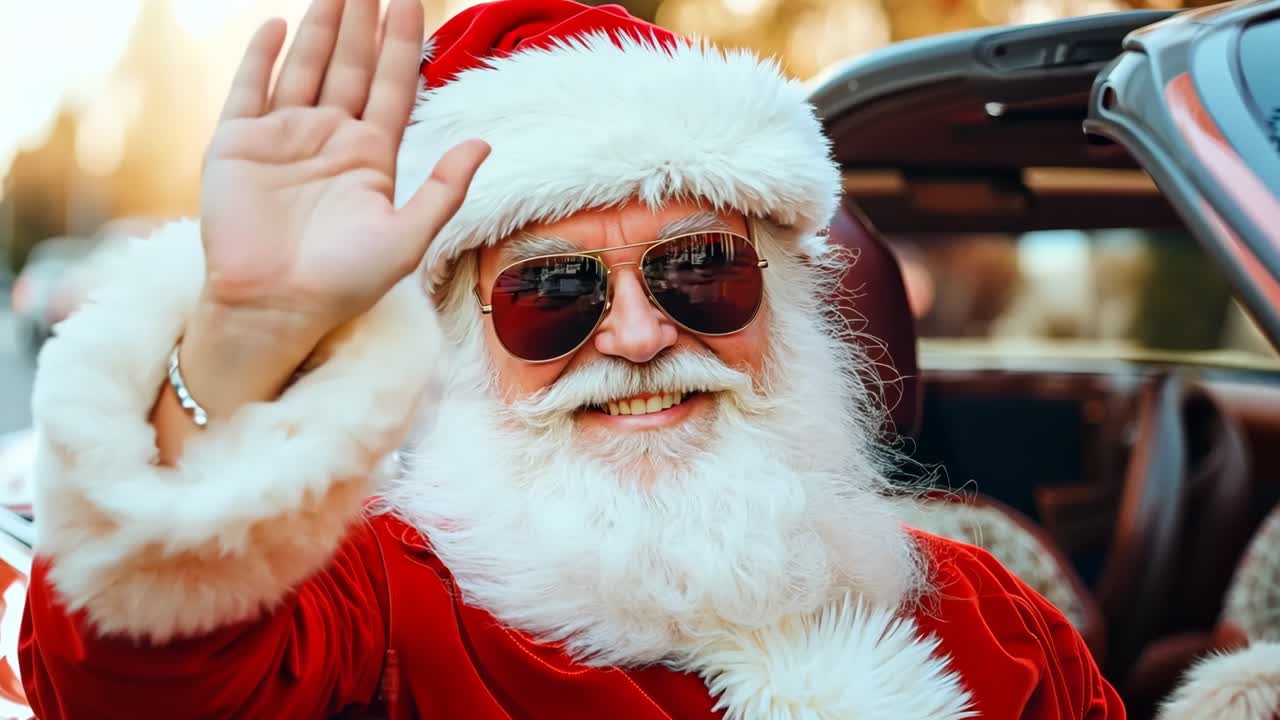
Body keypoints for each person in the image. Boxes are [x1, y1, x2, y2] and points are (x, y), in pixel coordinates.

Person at [14, 0, 1266, 717]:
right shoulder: (382, 606)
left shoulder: (988, 616)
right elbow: (129, 677)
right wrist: (247, 334)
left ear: (786, 301)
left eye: (699, 270)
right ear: (460, 346)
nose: (635, 334)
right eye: (550, 293)